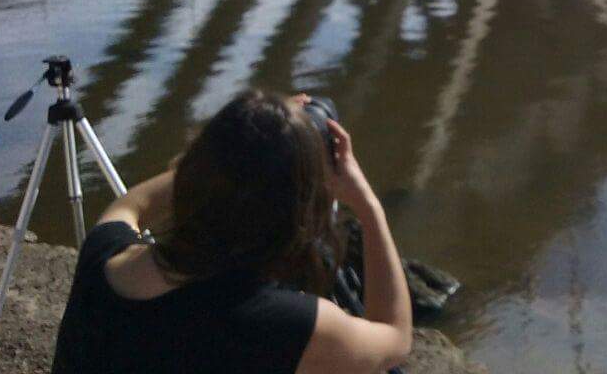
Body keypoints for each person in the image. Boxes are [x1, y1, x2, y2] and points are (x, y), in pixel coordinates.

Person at [50, 90, 413, 374]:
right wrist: (369, 208)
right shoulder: (287, 324)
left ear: (197, 169)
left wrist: (236, 147)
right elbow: (395, 340)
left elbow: (133, 204)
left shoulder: (104, 257)